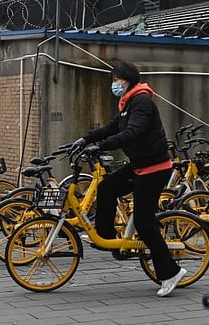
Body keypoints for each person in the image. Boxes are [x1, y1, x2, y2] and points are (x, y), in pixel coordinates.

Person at [69, 61, 187, 298]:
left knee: (144, 222)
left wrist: (101, 147)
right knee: (107, 186)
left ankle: (170, 272)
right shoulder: (127, 102)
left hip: (155, 168)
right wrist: (86, 139)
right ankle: (106, 237)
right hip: (139, 165)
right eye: (112, 80)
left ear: (129, 79)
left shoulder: (141, 100)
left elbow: (134, 132)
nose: (114, 84)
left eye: (117, 80)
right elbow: (114, 127)